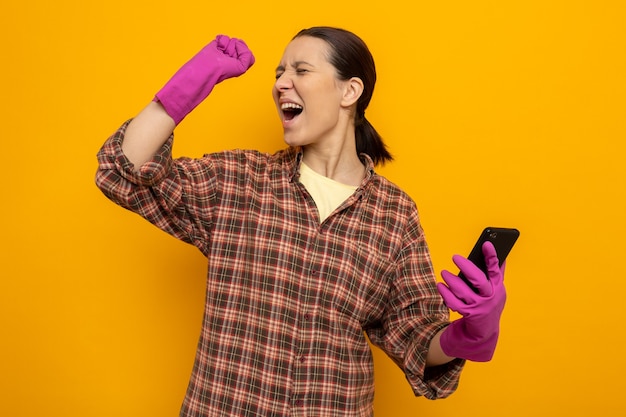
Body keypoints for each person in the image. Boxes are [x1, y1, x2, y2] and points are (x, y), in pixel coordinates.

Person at [95, 26, 506, 417]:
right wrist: (186, 86)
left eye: (301, 70)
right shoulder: (240, 180)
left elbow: (417, 337)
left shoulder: (394, 214)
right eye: (279, 73)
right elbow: (122, 169)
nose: (280, 83)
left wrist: (469, 333)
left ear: (351, 90)